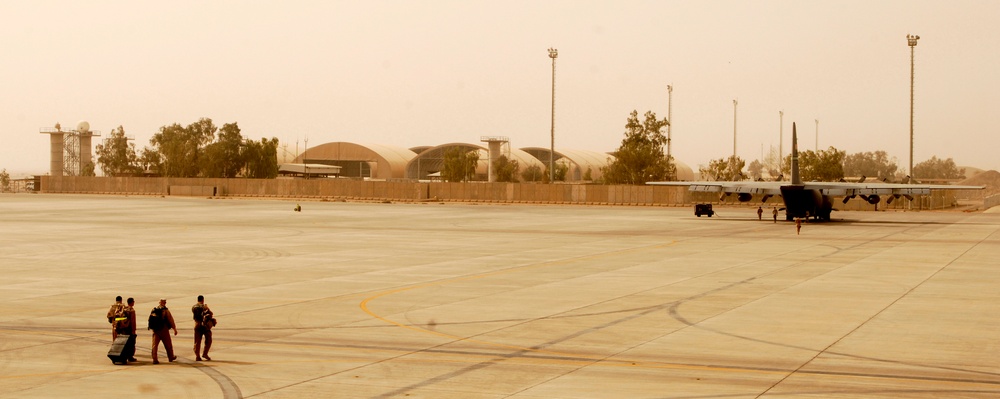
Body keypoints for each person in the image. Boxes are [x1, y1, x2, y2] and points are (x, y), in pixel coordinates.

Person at [148, 298, 177, 364]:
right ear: (164, 303)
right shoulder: (165, 310)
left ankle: (155, 359)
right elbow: (170, 319)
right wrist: (174, 328)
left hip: (155, 330)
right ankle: (171, 357)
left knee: (154, 345)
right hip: (163, 329)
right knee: (168, 344)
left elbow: (150, 319)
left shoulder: (154, 309)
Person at [192, 295, 213, 361]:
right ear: (203, 300)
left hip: (197, 324)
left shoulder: (193, 307)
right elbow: (210, 314)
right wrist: (207, 308)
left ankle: (197, 356)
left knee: (197, 341)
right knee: (208, 339)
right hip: (204, 325)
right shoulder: (203, 307)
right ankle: (205, 353)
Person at [119, 297, 138, 363]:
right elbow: (133, 321)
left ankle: (124, 355)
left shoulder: (124, 309)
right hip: (130, 330)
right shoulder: (131, 310)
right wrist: (133, 331)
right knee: (131, 344)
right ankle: (130, 357)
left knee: (125, 344)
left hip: (124, 329)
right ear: (132, 302)